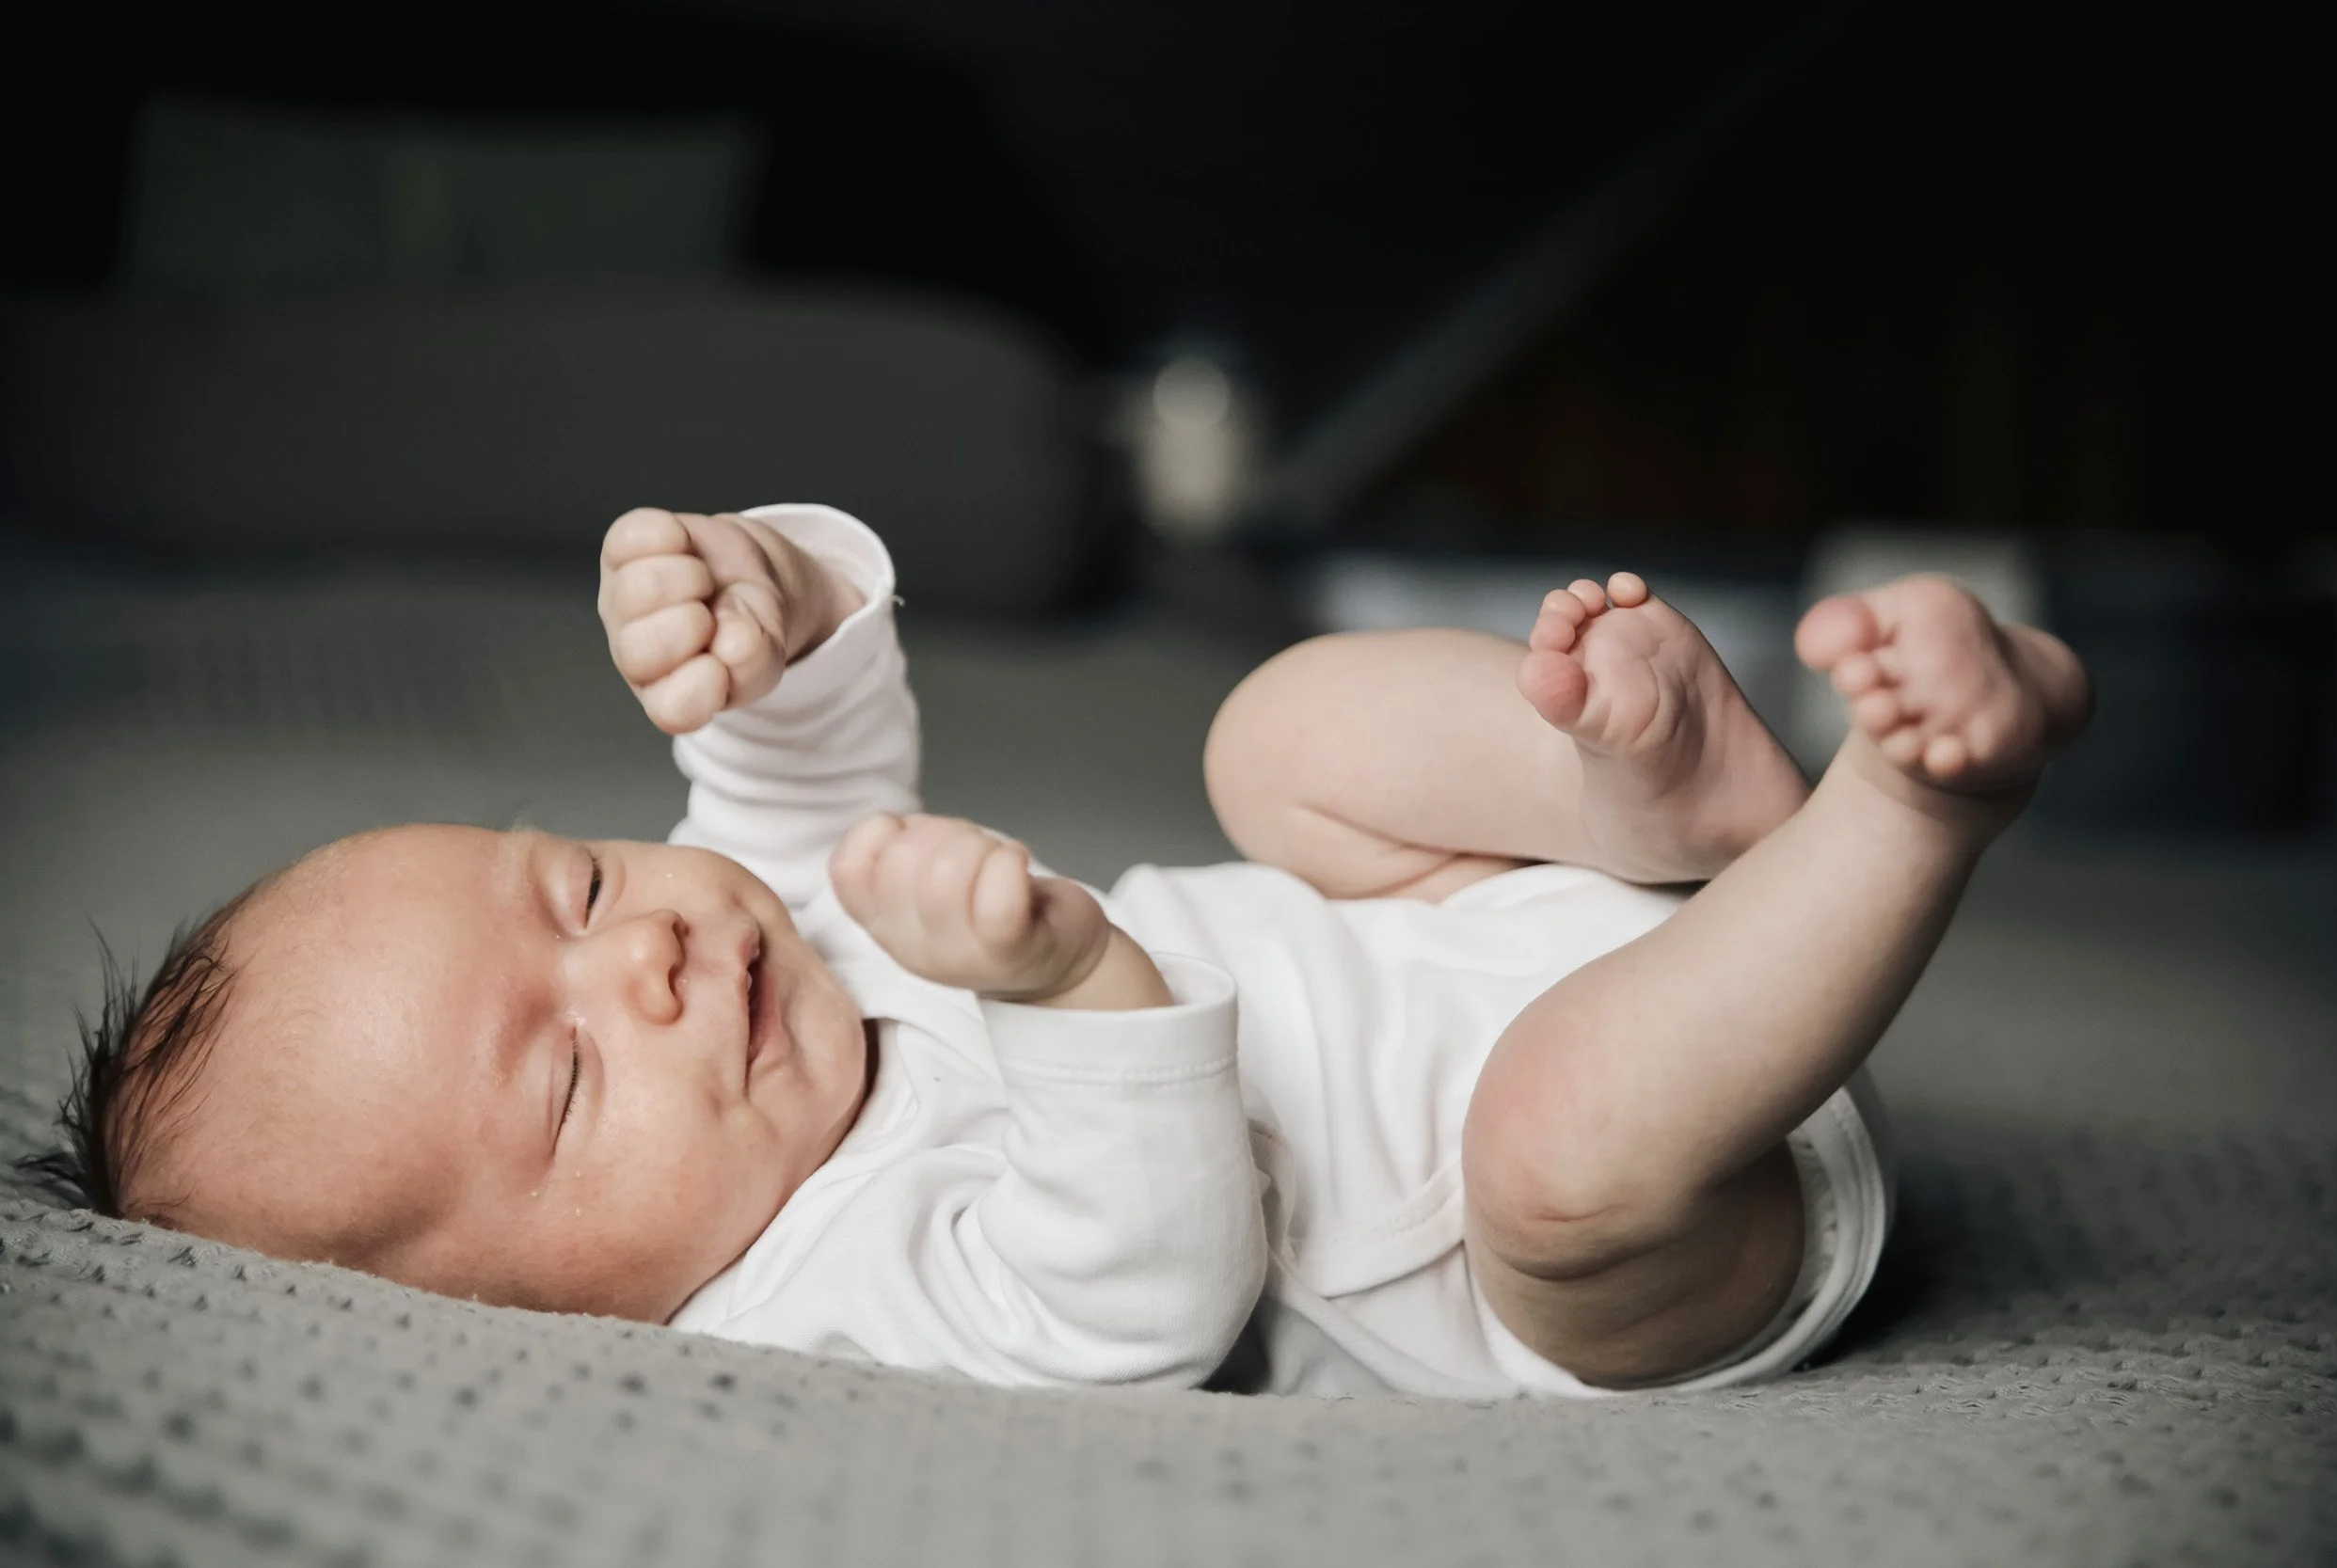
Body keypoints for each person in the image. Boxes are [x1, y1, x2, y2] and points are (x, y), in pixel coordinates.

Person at [35, 503, 2090, 1397]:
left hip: (1485, 921)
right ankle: (1903, 809)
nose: (647, 958)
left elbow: (804, 740)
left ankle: (1667, 811)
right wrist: (1066, 992)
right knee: (1544, 1150)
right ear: (535, 1318)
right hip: (1628, 1230)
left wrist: (774, 584)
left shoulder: (766, 941)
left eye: (570, 885)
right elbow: (1140, 1297)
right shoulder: (802, 1298)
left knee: (1269, 737)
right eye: (564, 1085)